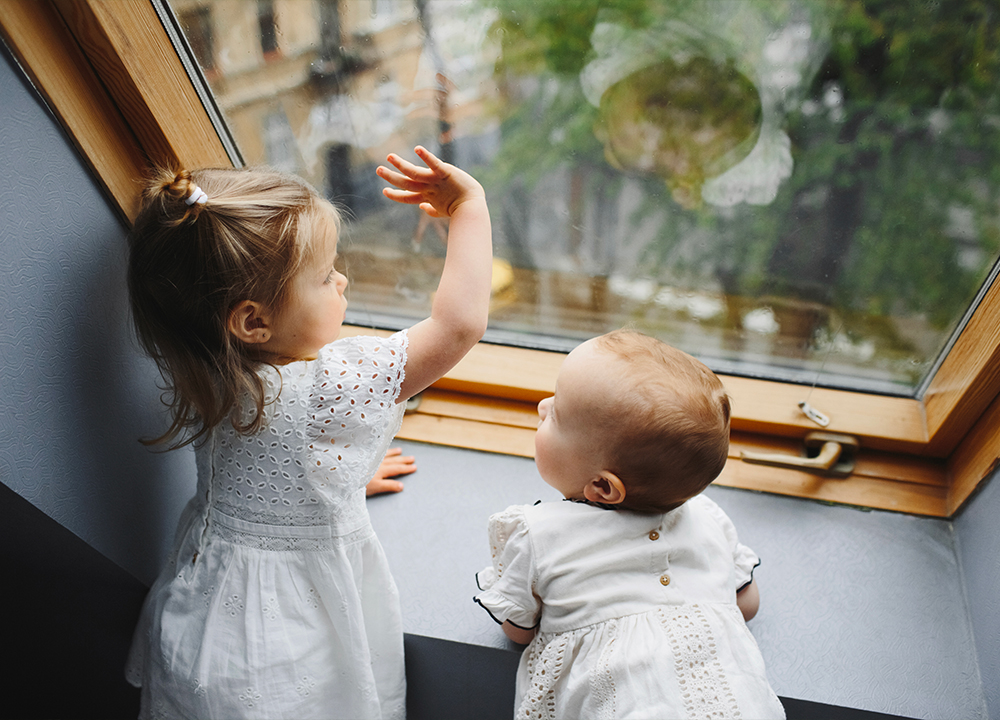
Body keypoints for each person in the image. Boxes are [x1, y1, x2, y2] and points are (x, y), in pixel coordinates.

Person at [125, 146, 492, 719]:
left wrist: (335, 481)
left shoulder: (205, 361)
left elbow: (264, 469)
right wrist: (469, 207)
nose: (341, 279)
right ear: (252, 320)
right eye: (324, 277)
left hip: (205, 616)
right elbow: (458, 325)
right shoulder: (330, 387)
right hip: (287, 644)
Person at [474, 330, 785, 719]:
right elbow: (747, 603)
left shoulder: (537, 534)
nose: (542, 406)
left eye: (557, 415)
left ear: (603, 487)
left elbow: (518, 631)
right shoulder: (708, 516)